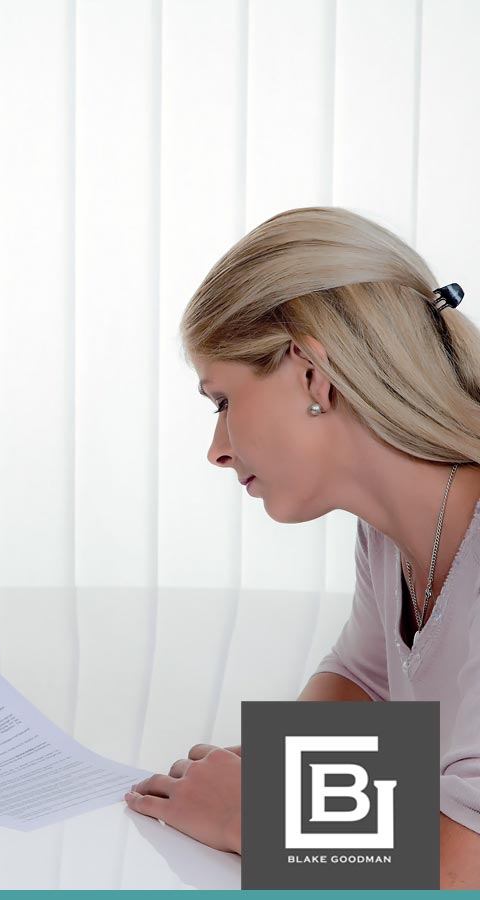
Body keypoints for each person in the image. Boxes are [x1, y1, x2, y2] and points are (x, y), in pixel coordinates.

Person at [121, 206, 480, 888]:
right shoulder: (391, 533)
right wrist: (274, 766)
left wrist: (259, 812)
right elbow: (365, 682)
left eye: (221, 400)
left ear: (313, 374)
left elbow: (467, 863)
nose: (217, 450)